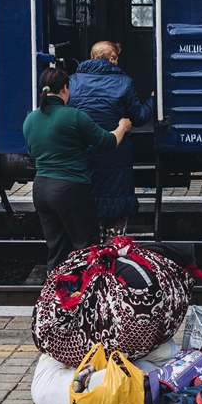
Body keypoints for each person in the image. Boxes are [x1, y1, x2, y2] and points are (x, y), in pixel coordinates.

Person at [23, 68, 132, 271]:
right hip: (70, 189)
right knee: (86, 248)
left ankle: (57, 296)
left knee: (57, 249)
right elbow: (108, 141)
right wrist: (122, 126)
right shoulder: (74, 116)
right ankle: (87, 297)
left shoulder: (30, 119)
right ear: (65, 88)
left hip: (40, 189)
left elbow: (33, 153)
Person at [68, 41, 154, 240]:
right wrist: (152, 100)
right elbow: (139, 118)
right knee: (115, 217)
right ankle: (113, 259)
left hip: (84, 156)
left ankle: (91, 261)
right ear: (113, 59)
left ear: (91, 56)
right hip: (115, 155)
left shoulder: (72, 82)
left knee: (89, 217)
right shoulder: (123, 82)